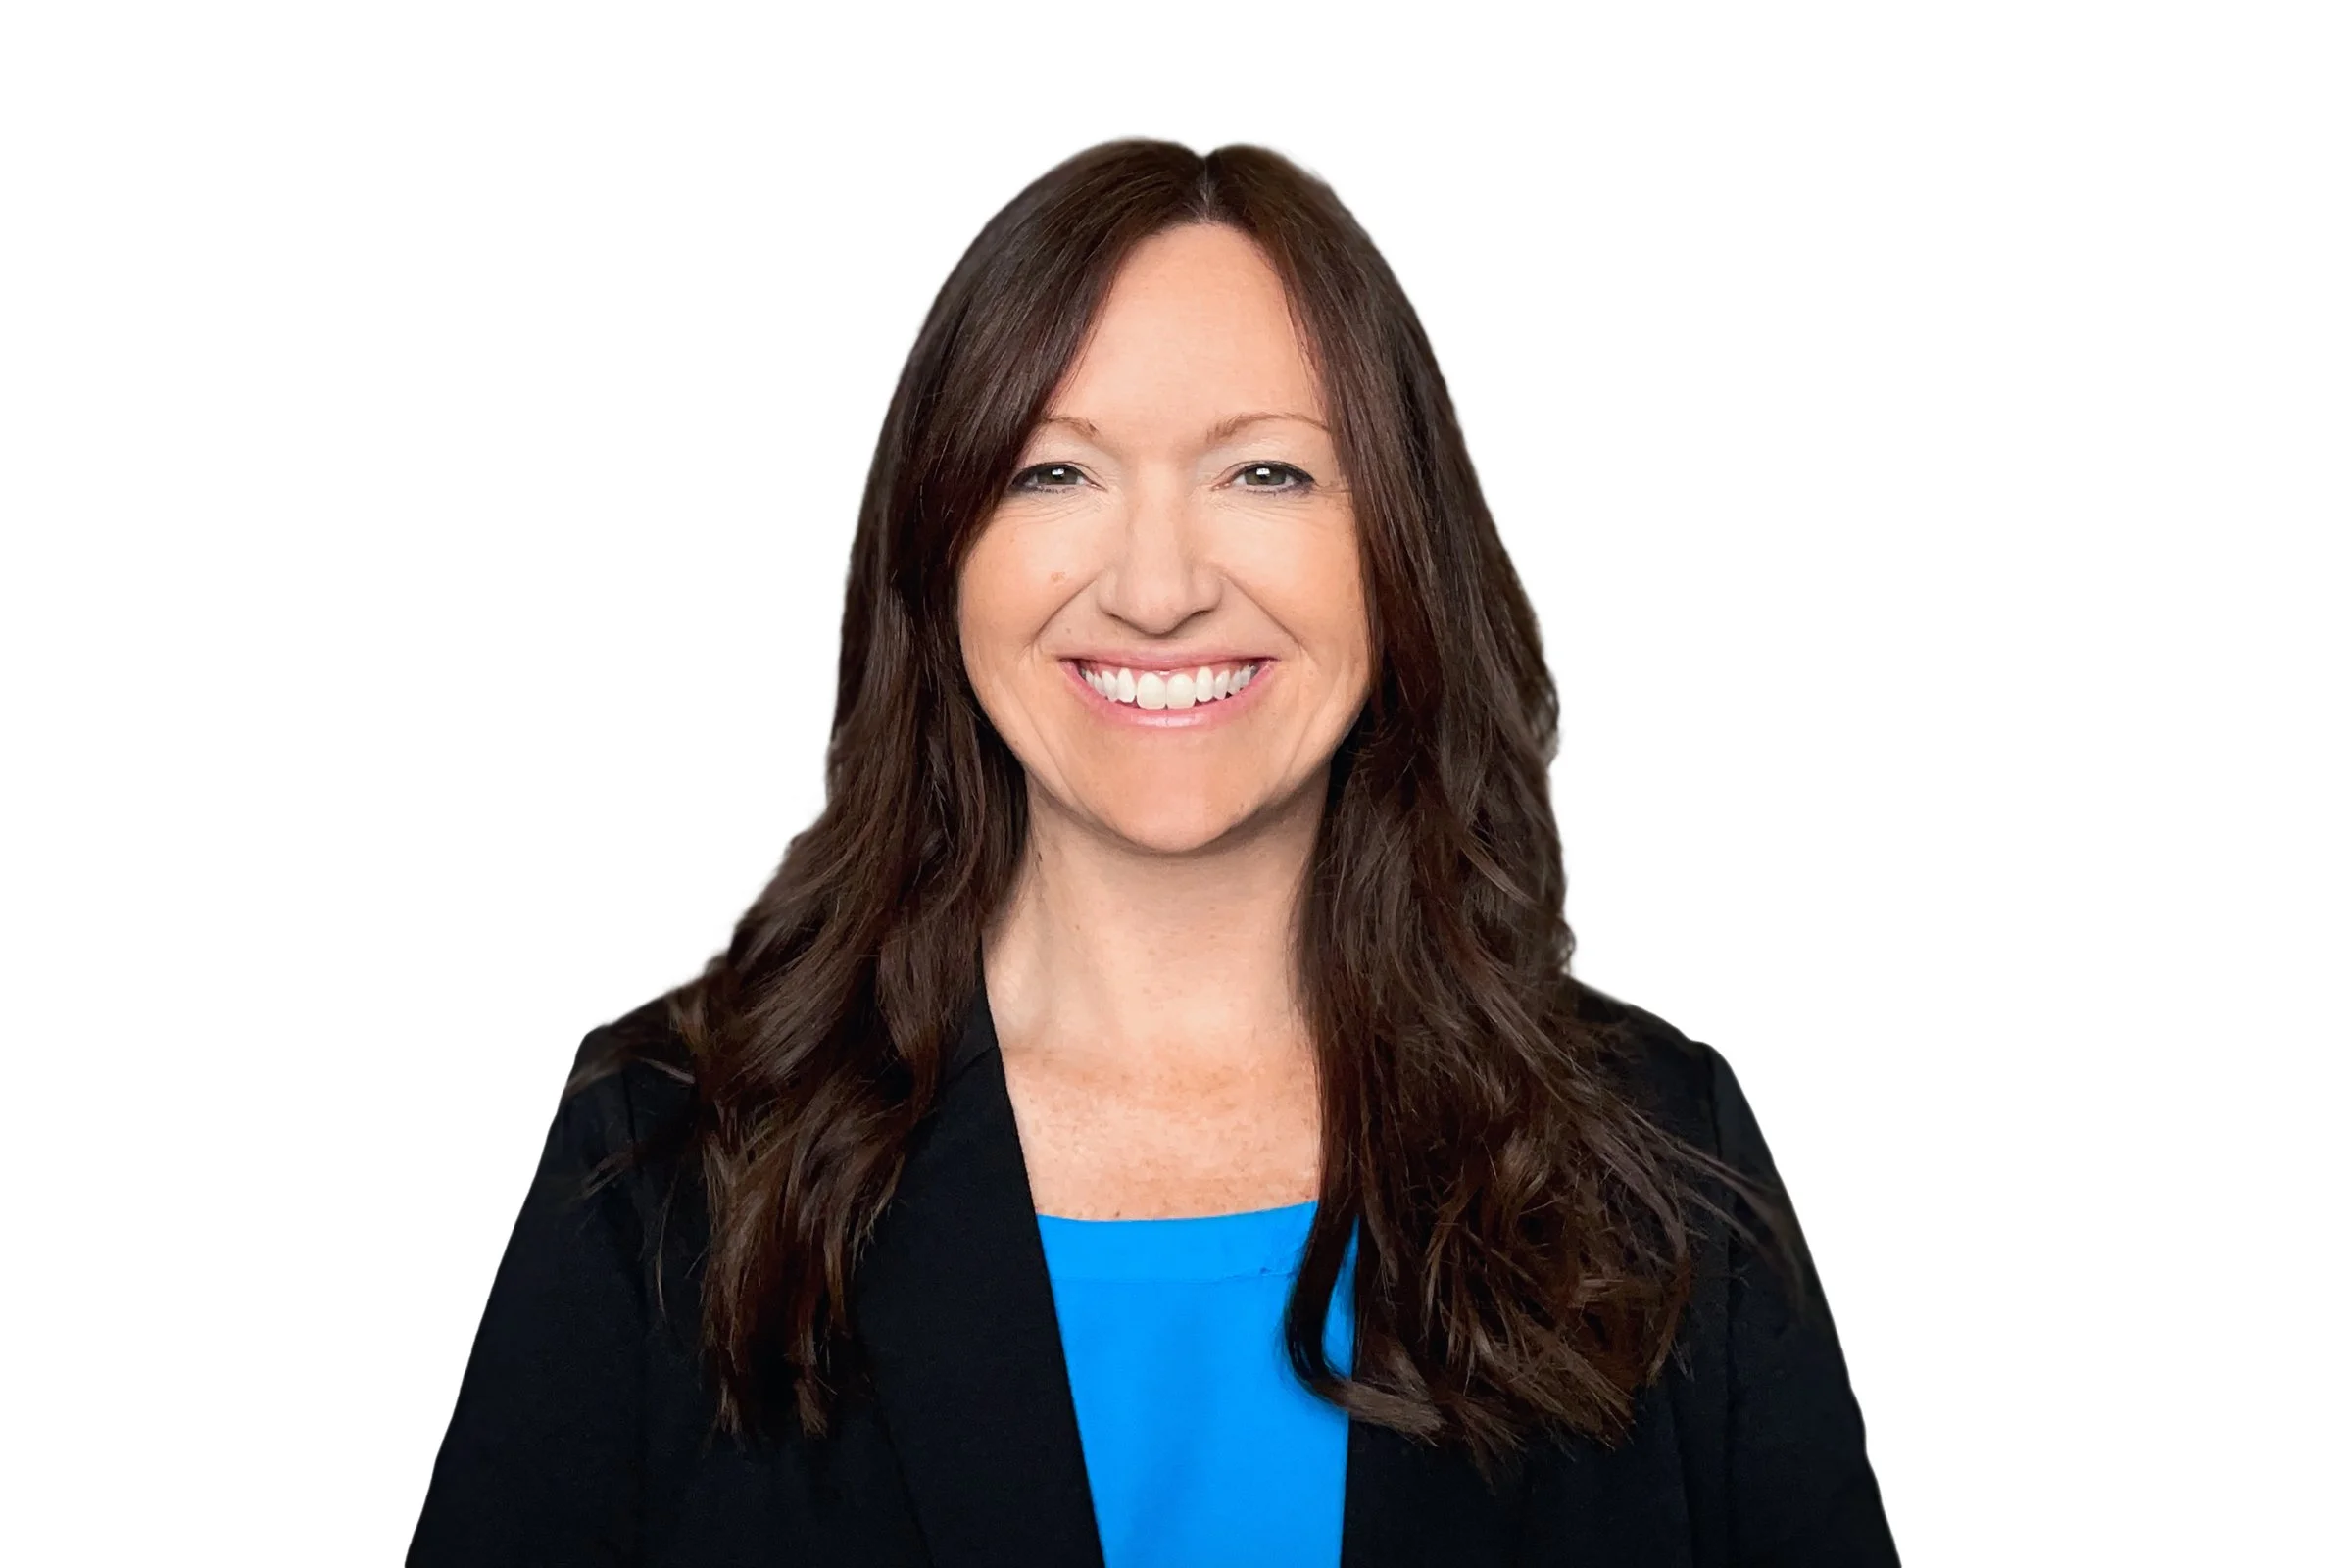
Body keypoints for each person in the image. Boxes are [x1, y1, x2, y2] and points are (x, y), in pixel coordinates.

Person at [409, 139, 1898, 1567]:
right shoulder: (673, 1160)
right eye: (1054, 474)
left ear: (1400, 552)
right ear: (939, 561)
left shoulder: (1652, 1159)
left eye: (1267, 475)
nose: (1161, 587)